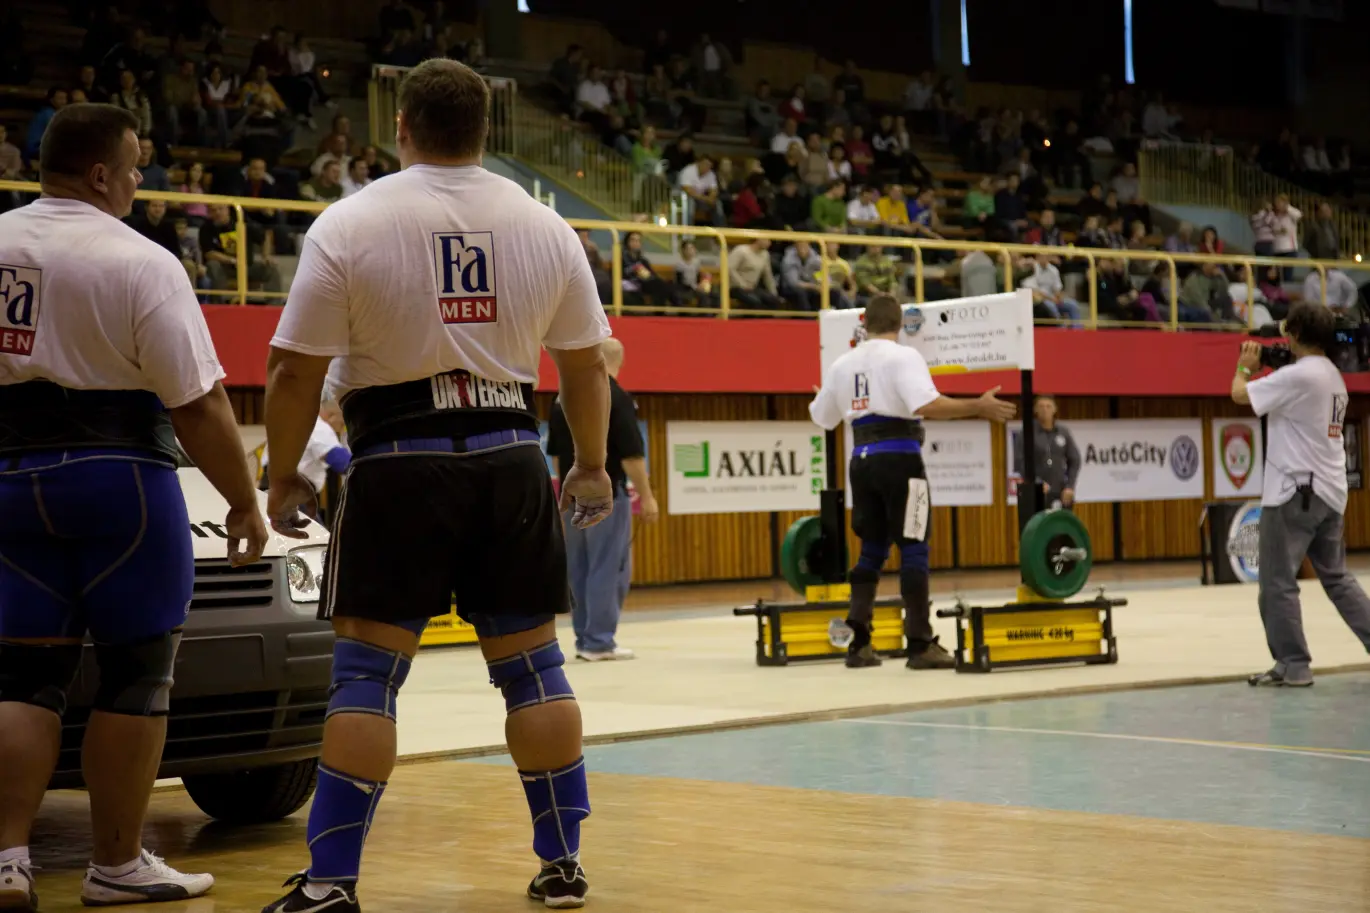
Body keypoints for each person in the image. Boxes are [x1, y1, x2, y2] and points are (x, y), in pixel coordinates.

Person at [259, 59, 612, 913]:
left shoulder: (351, 221)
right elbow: (584, 367)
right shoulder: (546, 225)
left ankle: (332, 882)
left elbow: (292, 372)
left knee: (365, 677)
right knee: (534, 670)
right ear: (487, 130)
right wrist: (592, 464)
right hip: (510, 453)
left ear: (401, 126)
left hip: (397, 461)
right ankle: (562, 864)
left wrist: (282, 474)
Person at [0, 103, 267, 910]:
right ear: (100, 174)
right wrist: (244, 502)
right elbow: (199, 403)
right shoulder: (139, 259)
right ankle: (116, 864)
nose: (140, 178)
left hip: (10, 480)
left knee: (23, 675)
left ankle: (8, 859)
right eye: (135, 165)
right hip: (119, 480)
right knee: (138, 674)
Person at [808, 296, 1016, 669]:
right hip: (901, 460)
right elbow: (926, 405)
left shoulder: (841, 364)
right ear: (900, 324)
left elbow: (821, 417)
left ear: (864, 324)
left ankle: (858, 644)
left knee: (872, 549)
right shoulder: (904, 357)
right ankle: (920, 645)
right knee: (914, 546)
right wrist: (978, 406)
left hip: (861, 461)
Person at [1232, 303, 1370, 687]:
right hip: (1329, 491)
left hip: (1294, 491)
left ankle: (1292, 664)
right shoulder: (1331, 374)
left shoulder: (1299, 376)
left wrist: (1245, 367)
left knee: (1277, 582)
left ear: (1293, 335)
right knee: (1337, 578)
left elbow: (1239, 394)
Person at [547, 339, 659, 662]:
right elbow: (631, 456)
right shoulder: (616, 397)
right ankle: (599, 641)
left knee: (579, 568)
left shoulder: (562, 397)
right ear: (619, 360)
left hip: (573, 496)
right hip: (605, 495)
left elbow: (555, 455)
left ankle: (585, 638)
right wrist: (647, 497)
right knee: (608, 566)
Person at [1017, 395, 1081, 509]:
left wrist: (1070, 486)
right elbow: (1019, 461)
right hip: (1035, 493)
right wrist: (1036, 483)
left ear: (1054, 409)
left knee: (1061, 520)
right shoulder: (1026, 433)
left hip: (1060, 492)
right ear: (1035, 410)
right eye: (1041, 406)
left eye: (1048, 406)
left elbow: (1075, 460)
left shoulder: (1063, 432)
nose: (1045, 410)